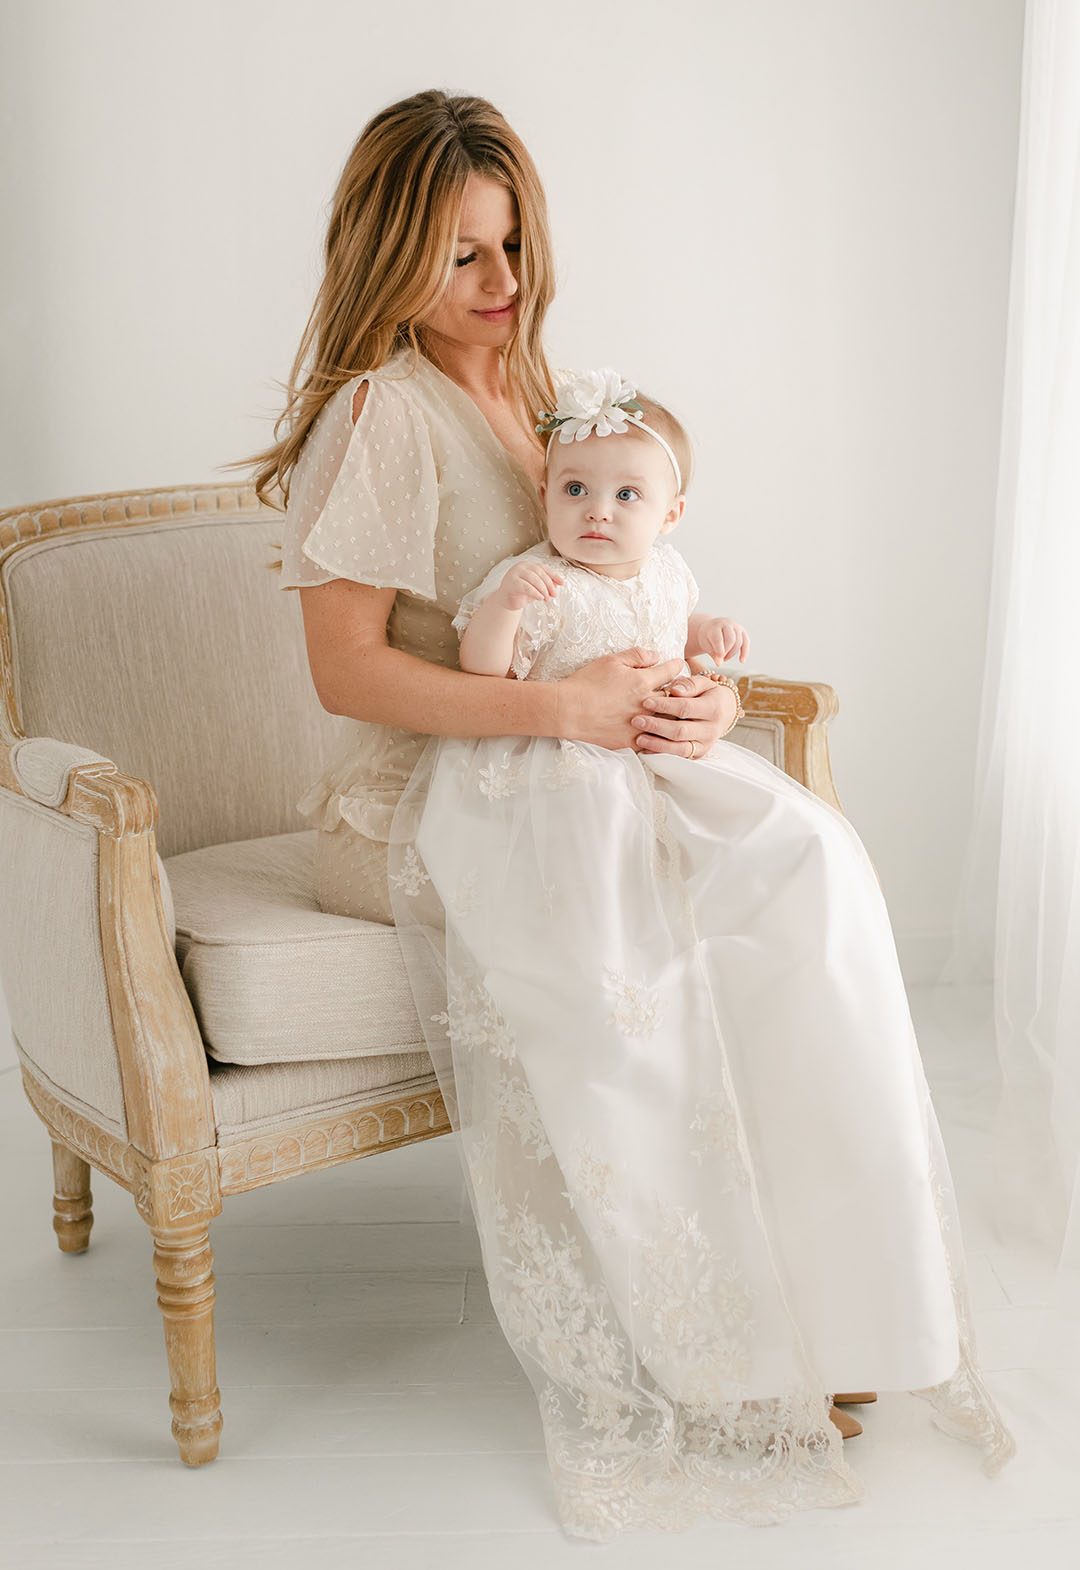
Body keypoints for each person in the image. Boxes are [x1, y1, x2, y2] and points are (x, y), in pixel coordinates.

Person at [238, 89, 1015, 1542]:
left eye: (514, 243)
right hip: (430, 794)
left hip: (589, 760)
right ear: (391, 251)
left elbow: (632, 586)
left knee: (812, 869)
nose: (501, 282)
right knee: (630, 930)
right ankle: (720, 1349)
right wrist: (568, 710)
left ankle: (844, 1303)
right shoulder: (382, 412)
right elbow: (344, 671)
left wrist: (687, 702)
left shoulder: (550, 398)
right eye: (464, 253)